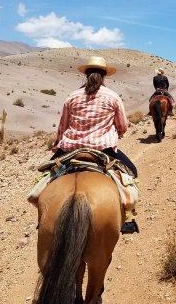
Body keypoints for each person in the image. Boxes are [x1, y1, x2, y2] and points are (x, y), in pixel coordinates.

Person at [52, 56, 139, 233]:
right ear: (104, 75)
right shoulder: (112, 96)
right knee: (131, 172)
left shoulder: (72, 96)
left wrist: (57, 145)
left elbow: (63, 126)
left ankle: (44, 217)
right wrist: (116, 133)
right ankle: (126, 218)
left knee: (46, 176)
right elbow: (122, 126)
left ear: (86, 75)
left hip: (71, 148)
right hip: (103, 148)